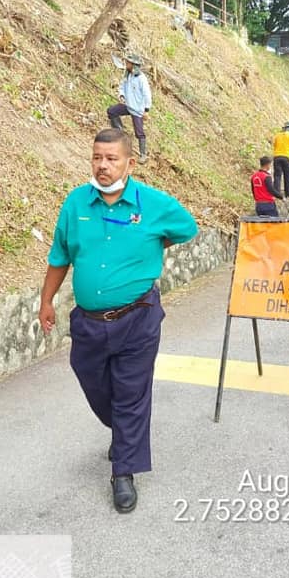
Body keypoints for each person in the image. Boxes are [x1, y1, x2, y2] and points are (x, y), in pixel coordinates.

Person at [38, 129, 198, 513]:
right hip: (89, 322)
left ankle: (123, 472)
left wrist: (154, 243)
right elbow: (60, 255)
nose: (103, 165)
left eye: (111, 159)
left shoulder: (152, 204)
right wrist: (46, 299)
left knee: (130, 392)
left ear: (130, 163)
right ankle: (125, 433)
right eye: (97, 157)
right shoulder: (76, 203)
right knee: (93, 382)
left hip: (138, 317)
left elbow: (187, 228)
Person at [108, 52, 152, 164]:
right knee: (112, 111)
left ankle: (143, 155)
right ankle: (120, 134)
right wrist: (122, 95)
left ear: (134, 64)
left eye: (128, 62)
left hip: (137, 109)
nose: (126, 64)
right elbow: (122, 86)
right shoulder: (128, 75)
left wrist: (146, 110)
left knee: (139, 132)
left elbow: (147, 95)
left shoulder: (142, 79)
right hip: (127, 105)